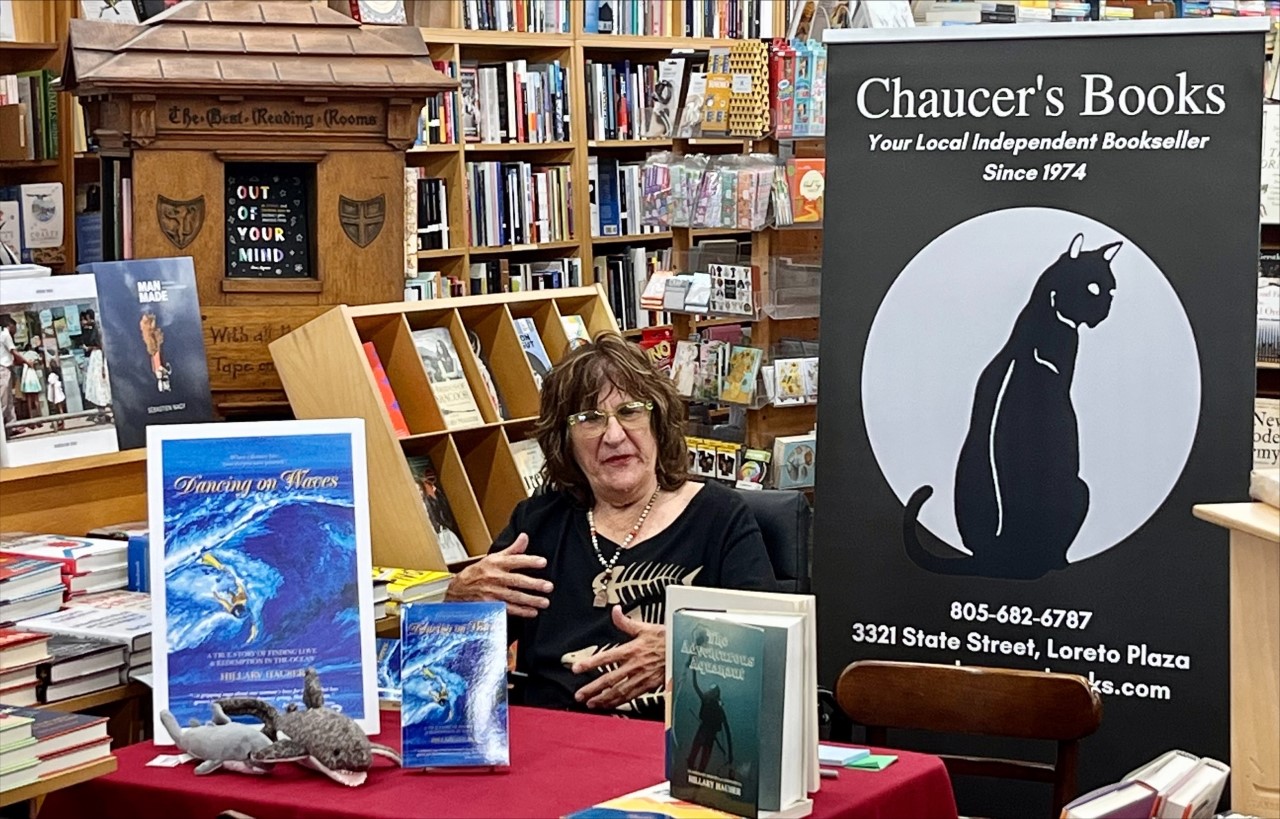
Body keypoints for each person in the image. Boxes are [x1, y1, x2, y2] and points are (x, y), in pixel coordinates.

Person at [445, 333, 778, 716]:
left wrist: (683, 651)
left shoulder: (719, 518)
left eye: (630, 411)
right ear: (564, 439)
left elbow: (772, 651)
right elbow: (458, 669)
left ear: (658, 420)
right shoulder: (535, 525)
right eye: (589, 419)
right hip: (554, 750)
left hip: (675, 754)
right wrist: (456, 603)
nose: (614, 435)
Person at [0, 315, 19, 428]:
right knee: (4, 400)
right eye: (15, 327)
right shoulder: (6, 335)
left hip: (6, 368)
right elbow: (14, 352)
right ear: (10, 325)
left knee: (9, 399)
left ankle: (12, 425)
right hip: (3, 369)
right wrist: (26, 362)